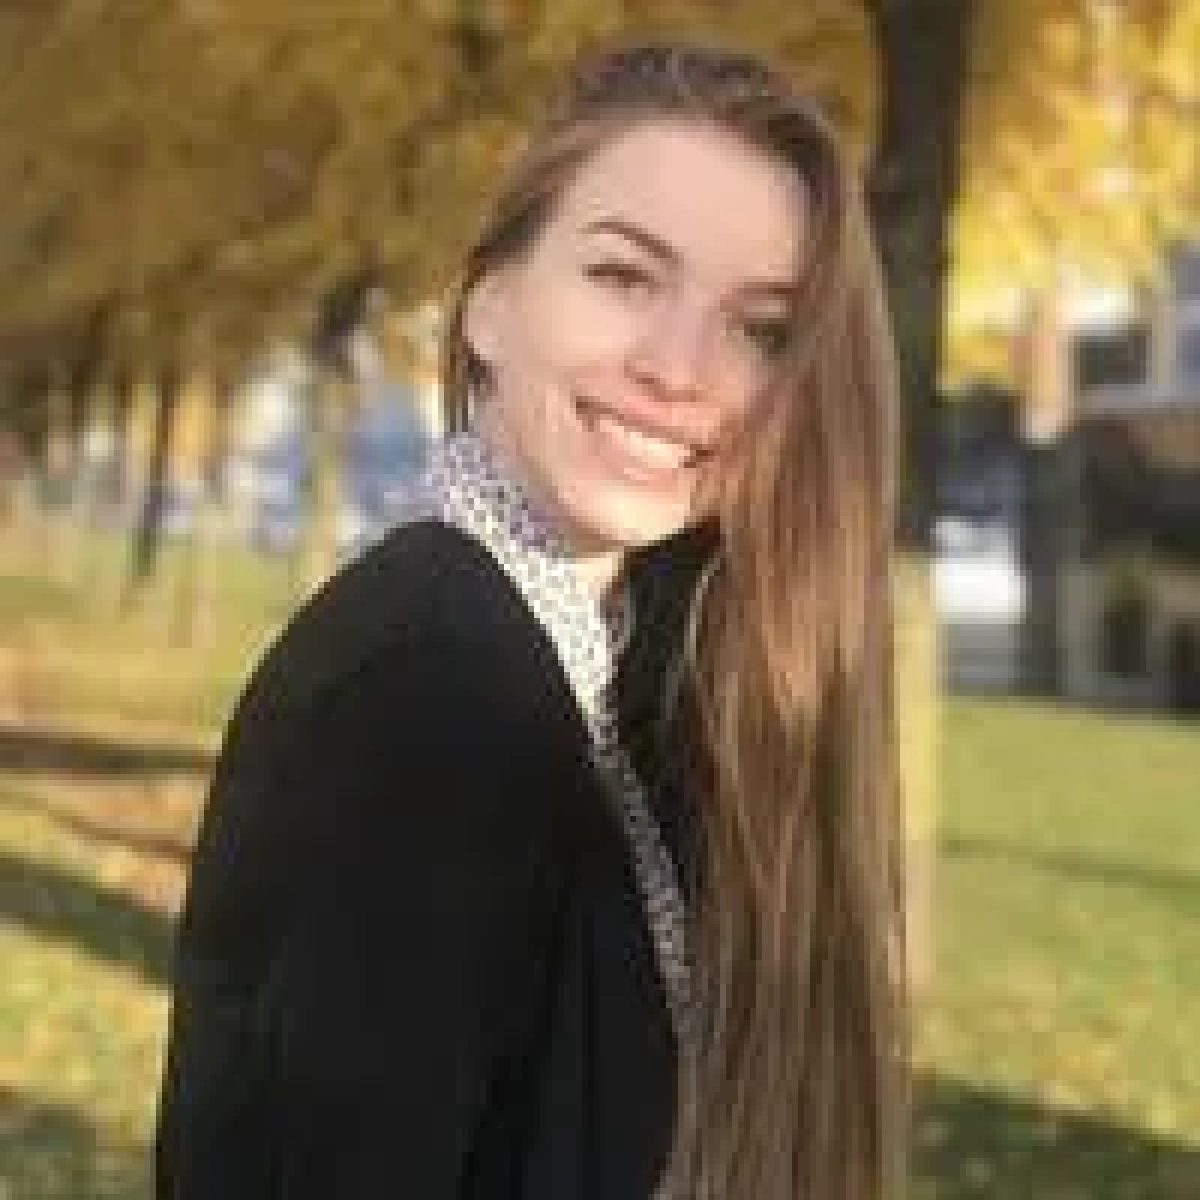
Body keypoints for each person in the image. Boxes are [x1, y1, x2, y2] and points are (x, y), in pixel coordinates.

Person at [155, 36, 909, 1200]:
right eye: (625, 276)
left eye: (759, 328)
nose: (680, 368)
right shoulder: (429, 690)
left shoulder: (624, 674)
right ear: (489, 306)